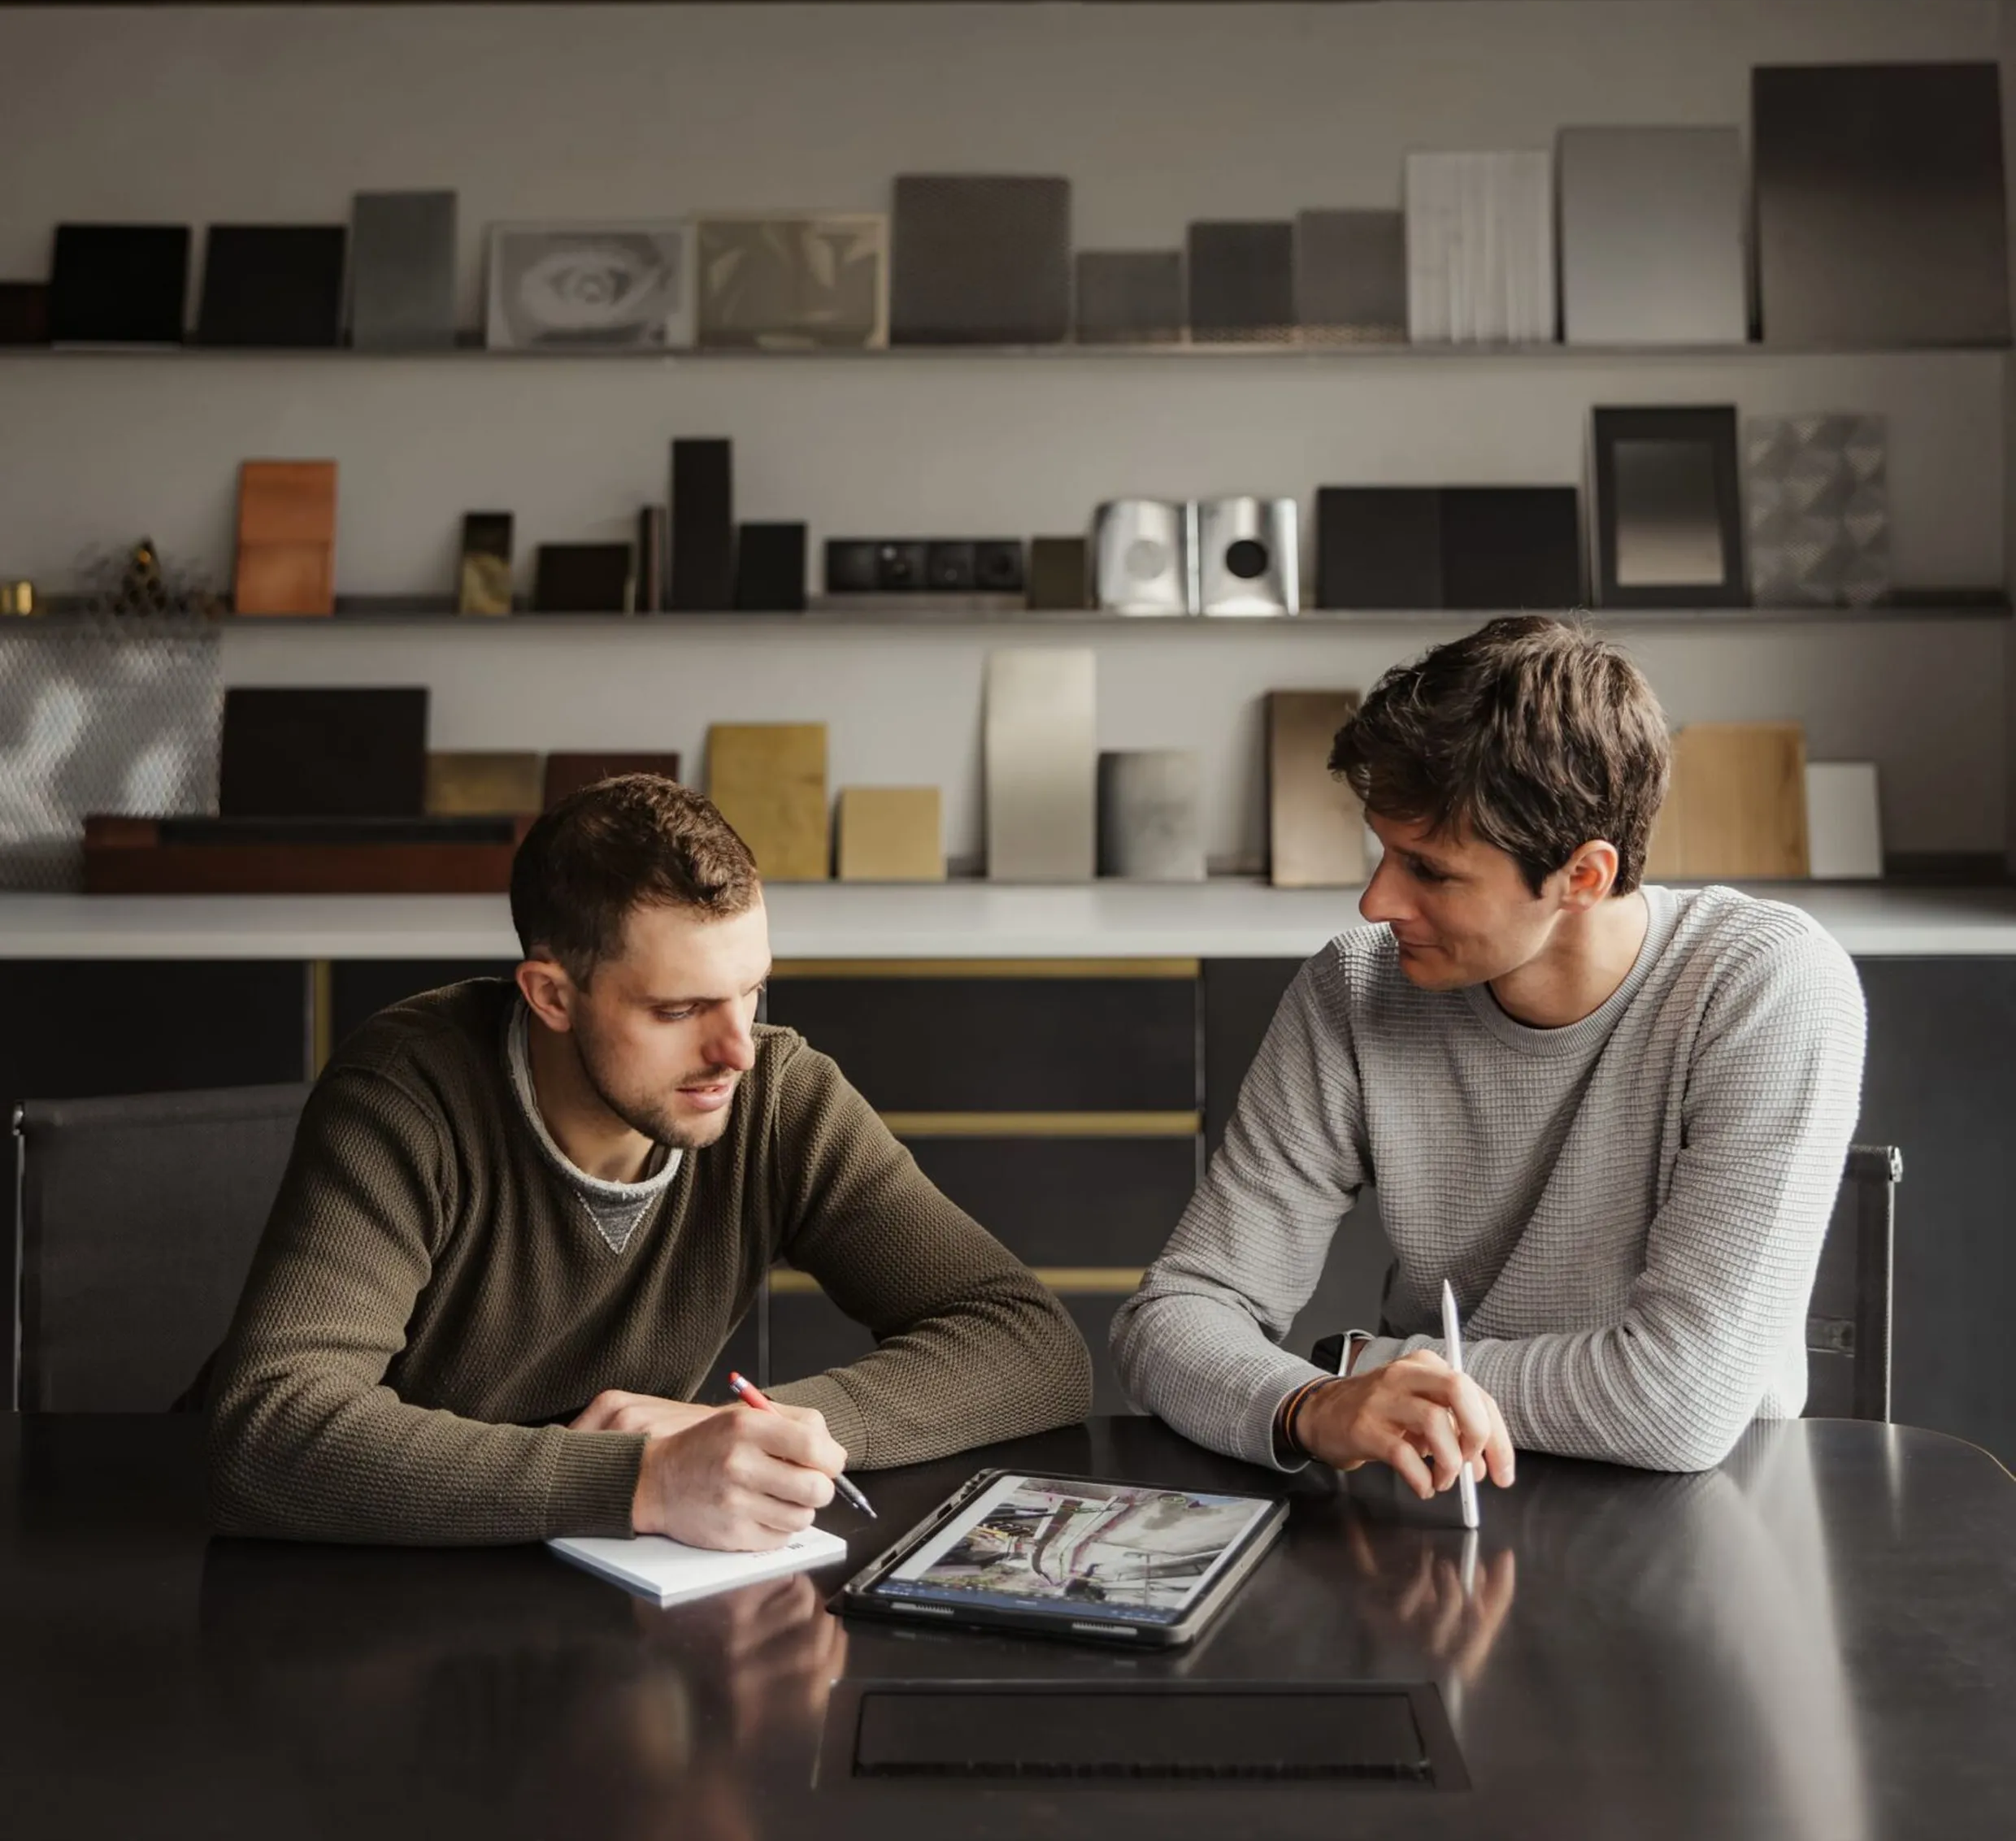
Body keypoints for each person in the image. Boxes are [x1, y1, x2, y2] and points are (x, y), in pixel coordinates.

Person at [203, 776, 1091, 1548]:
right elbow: (270, 1431)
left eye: (752, 990)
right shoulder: (408, 1094)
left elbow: (1032, 1344)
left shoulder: (777, 1094)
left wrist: (755, 1429)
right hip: (336, 1593)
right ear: (552, 994)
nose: (736, 1048)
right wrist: (646, 1477)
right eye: (679, 1009)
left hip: (599, 1578)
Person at [1113, 616, 1865, 1490]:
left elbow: (1676, 1400)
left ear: (1581, 876)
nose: (1372, 901)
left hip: (1702, 1510)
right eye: (1381, 852)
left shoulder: (1765, 982)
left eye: (1428, 869)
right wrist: (1312, 1406)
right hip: (1433, 1492)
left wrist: (1371, 1360)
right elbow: (1172, 1316)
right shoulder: (1353, 989)